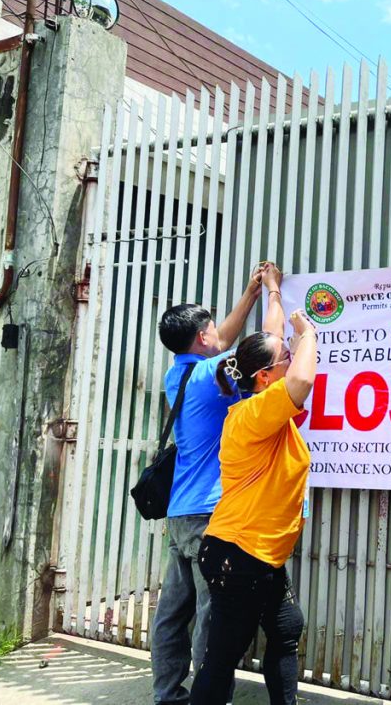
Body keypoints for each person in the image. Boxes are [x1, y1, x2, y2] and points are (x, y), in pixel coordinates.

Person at [151, 262, 282, 705]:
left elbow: (222, 340)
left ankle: (167, 695)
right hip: (211, 514)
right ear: (203, 338)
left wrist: (248, 293)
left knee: (172, 612)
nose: (216, 332)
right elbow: (266, 351)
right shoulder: (213, 376)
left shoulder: (179, 374)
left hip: (180, 511)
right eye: (210, 326)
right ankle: (212, 699)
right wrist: (273, 293)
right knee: (212, 615)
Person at [188, 297, 318, 705]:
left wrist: (274, 293)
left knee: (284, 630)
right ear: (264, 378)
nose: (294, 360)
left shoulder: (266, 412)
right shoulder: (254, 413)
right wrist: (310, 333)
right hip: (238, 554)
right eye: (287, 359)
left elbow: (273, 345)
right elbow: (301, 381)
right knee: (223, 655)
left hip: (259, 556)